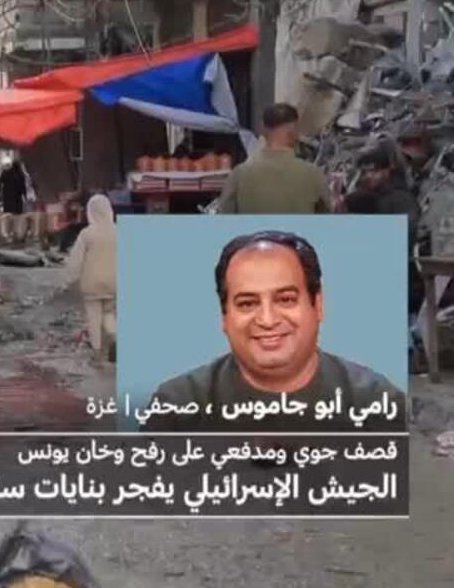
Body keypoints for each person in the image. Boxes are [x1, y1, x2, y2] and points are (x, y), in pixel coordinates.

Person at [141, 231, 405, 432]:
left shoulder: (375, 402)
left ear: (318, 306)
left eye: (286, 300)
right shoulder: (178, 406)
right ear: (224, 317)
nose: (267, 320)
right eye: (247, 304)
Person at [216, 103, 332, 214]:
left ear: (262, 130)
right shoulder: (313, 175)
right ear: (294, 132)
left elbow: (224, 217)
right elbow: (327, 218)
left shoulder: (239, 175)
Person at [351, 145, 423, 316]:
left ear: (387, 170)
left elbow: (407, 238)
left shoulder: (399, 199)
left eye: (373, 171)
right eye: (365, 172)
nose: (368, 176)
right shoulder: (376, 197)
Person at [67, 194, 117, 362]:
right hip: (113, 282)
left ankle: (97, 353)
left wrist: (70, 278)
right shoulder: (119, 231)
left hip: (91, 283)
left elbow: (76, 260)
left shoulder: (87, 234)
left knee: (93, 316)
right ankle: (115, 336)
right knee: (109, 313)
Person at [0, 153, 32, 241]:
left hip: (8, 198)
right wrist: (25, 196)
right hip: (17, 199)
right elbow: (23, 187)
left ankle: (8, 234)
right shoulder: (20, 175)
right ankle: (17, 233)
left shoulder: (6, 173)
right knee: (17, 217)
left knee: (8, 216)